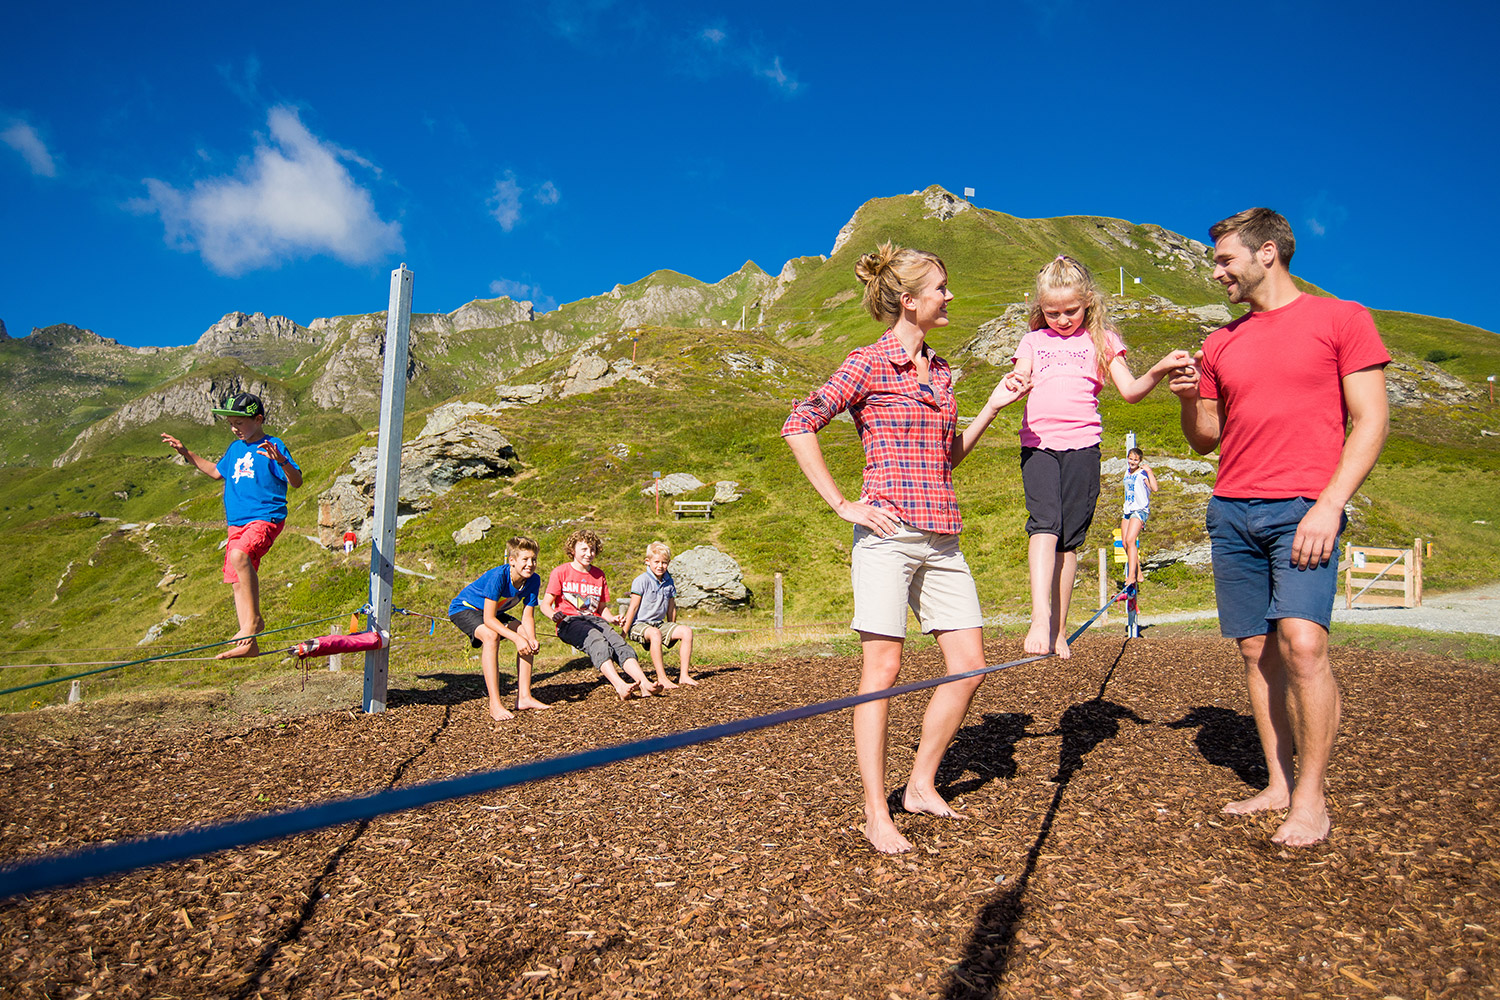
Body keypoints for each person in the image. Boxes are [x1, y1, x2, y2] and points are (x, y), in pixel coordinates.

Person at [782, 242, 1030, 855]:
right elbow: (799, 423)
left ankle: (920, 783)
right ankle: (875, 810)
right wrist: (844, 504)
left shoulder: (942, 373)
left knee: (969, 665)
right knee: (883, 671)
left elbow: (946, 458)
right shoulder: (867, 363)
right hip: (887, 538)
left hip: (943, 535)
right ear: (910, 300)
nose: (949, 296)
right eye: (940, 288)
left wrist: (993, 407)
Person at [1170, 207, 1389, 847]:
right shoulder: (1221, 342)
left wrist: (1329, 504)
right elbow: (1204, 440)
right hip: (1231, 508)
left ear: (1267, 252)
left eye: (1224, 259)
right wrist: (1188, 398)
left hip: (1302, 507)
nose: (1217, 272)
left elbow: (1370, 422)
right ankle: (1278, 784)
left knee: (1303, 645)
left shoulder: (1342, 319)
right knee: (1255, 651)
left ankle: (1312, 800)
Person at [1011, 256, 1192, 658]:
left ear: (1089, 302)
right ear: (1039, 309)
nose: (1061, 319)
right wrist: (1017, 381)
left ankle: (1058, 629)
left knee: (1069, 542)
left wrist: (1160, 368)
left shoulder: (1103, 340)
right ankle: (1039, 617)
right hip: (1038, 444)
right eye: (1051, 312)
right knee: (1044, 525)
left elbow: (1129, 390)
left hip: (1083, 447)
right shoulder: (1033, 342)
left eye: (1071, 311)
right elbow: (1021, 375)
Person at [161, 392, 302, 659]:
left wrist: (281, 461)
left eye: (239, 422)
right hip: (236, 524)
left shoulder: (273, 445)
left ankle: (253, 623)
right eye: (230, 424)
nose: (234, 428)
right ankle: (249, 642)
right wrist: (186, 452)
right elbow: (215, 472)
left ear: (258, 419)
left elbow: (296, 481)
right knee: (238, 580)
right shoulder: (235, 449)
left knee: (239, 556)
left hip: (265, 517)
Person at [540, 528, 660, 700]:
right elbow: (545, 605)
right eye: (584, 549)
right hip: (570, 621)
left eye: (592, 549)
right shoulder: (561, 572)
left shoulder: (599, 575)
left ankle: (644, 683)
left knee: (618, 642)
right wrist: (553, 615)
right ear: (572, 550)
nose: (589, 553)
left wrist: (612, 618)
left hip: (595, 619)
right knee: (597, 640)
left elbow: (601, 607)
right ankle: (620, 685)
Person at [448, 535, 549, 721]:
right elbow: (488, 619)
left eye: (534, 559)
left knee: (525, 634)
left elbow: (528, 615)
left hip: (494, 611)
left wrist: (530, 638)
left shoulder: (534, 580)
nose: (530, 564)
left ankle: (524, 696)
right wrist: (516, 639)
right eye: (525, 559)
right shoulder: (498, 576)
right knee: (491, 636)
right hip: (465, 608)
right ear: (512, 561)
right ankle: (495, 704)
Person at [621, 541, 697, 690]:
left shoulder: (669, 581)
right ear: (647, 562)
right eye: (656, 562)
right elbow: (633, 607)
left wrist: (671, 626)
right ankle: (662, 678)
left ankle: (684, 675)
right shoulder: (641, 581)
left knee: (686, 631)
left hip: (658, 623)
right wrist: (624, 632)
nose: (660, 566)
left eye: (664, 563)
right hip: (639, 624)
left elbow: (671, 606)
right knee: (655, 634)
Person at [1120, 447, 1157, 586]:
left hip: (1139, 509)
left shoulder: (1142, 474)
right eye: (1130, 459)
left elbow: (1155, 488)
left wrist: (1149, 471)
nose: (1132, 462)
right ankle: (1139, 572)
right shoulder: (1127, 472)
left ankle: (1131, 576)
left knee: (1131, 540)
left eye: (1135, 460)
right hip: (1128, 509)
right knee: (1124, 543)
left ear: (1140, 461)